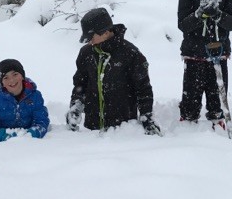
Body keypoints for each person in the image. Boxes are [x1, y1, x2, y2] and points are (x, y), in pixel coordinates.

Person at [66, 7, 161, 135]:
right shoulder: (86, 53)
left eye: (91, 36)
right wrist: (76, 106)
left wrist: (147, 117)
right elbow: (80, 84)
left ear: (105, 32)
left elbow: (143, 88)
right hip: (91, 131)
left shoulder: (130, 53)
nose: (89, 40)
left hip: (122, 131)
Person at [177, 0, 232, 127]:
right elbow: (182, 24)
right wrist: (199, 14)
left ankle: (217, 121)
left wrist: (218, 15)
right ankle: (187, 125)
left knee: (217, 94)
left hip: (218, 51)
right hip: (194, 53)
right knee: (191, 95)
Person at [0, 59, 50, 143]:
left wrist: (32, 134)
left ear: (22, 76)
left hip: (29, 144)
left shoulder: (35, 97)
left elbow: (42, 121)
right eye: (6, 77)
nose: (12, 80)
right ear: (2, 83)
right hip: (4, 146)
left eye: (15, 74)